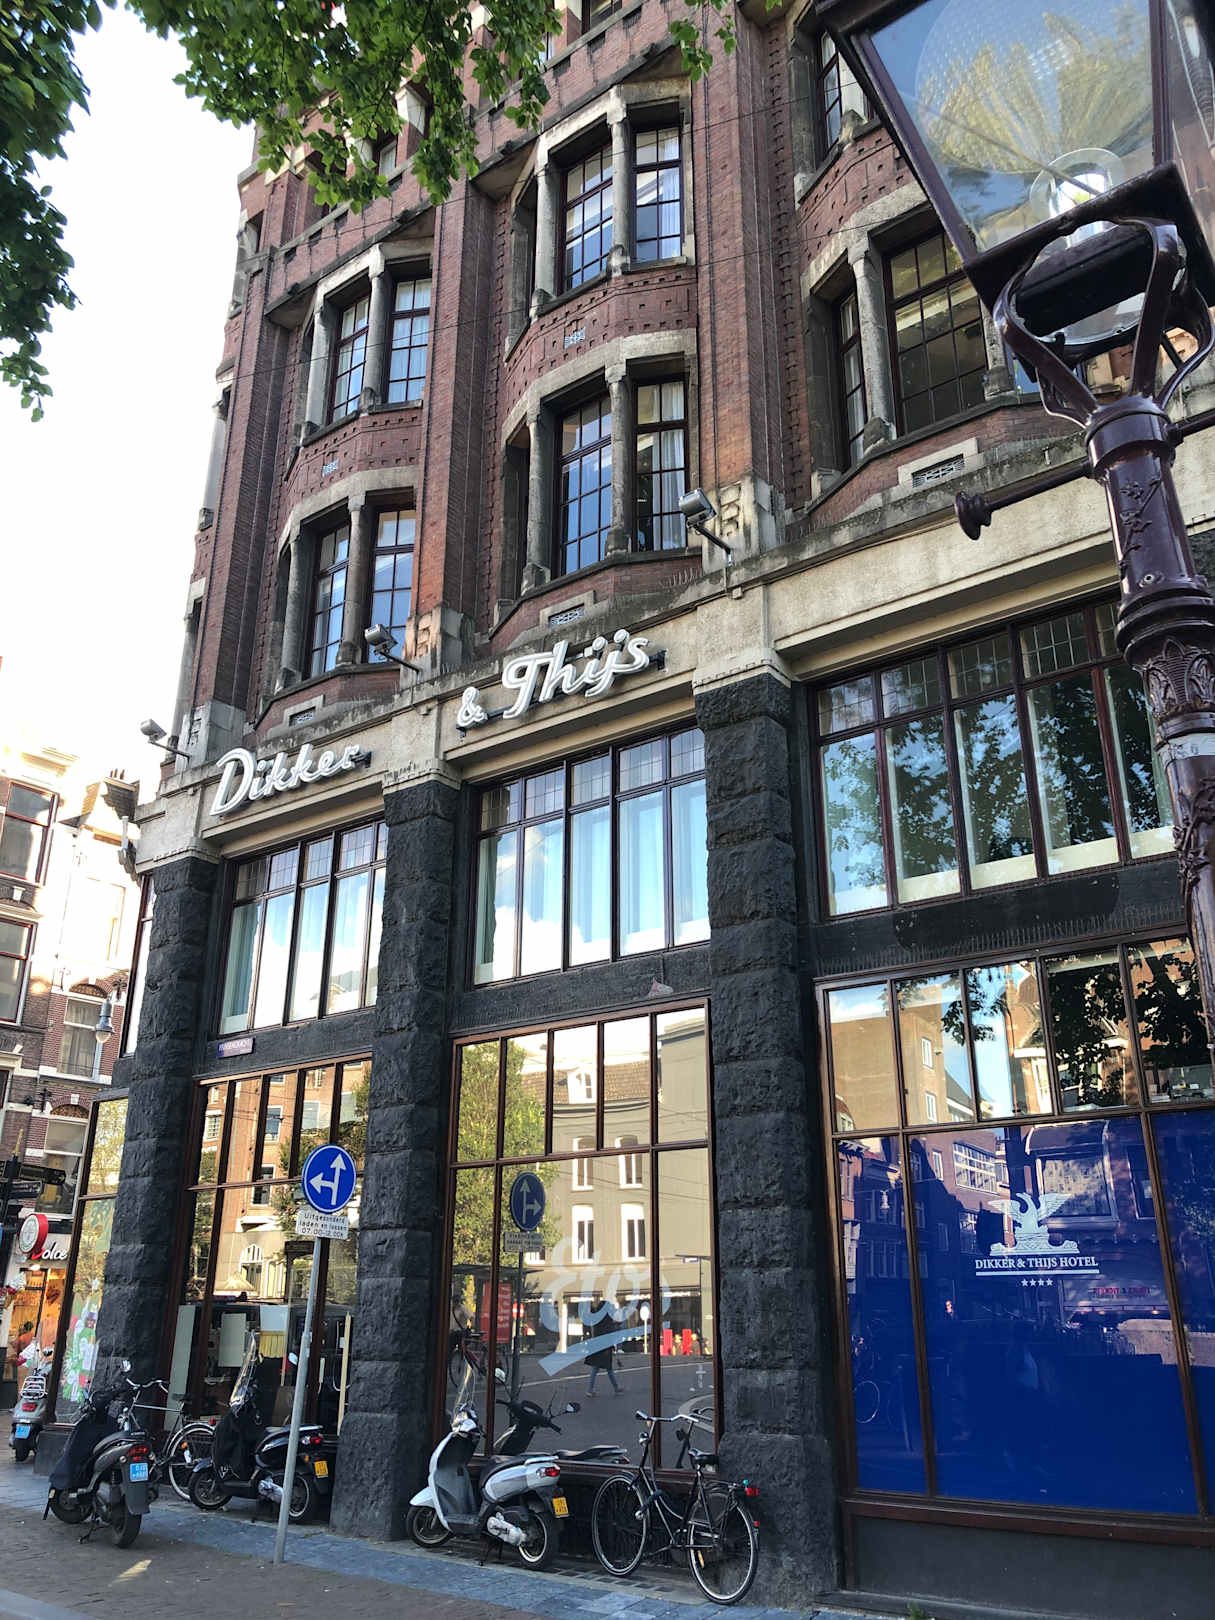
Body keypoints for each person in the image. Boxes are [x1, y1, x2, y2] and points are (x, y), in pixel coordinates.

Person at [585, 1315, 620, 1396]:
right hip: (605, 1347)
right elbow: (608, 1333)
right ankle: (616, 1388)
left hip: (598, 1345)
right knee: (608, 1368)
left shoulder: (598, 1317)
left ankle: (590, 1389)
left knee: (596, 1367)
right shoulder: (607, 1319)